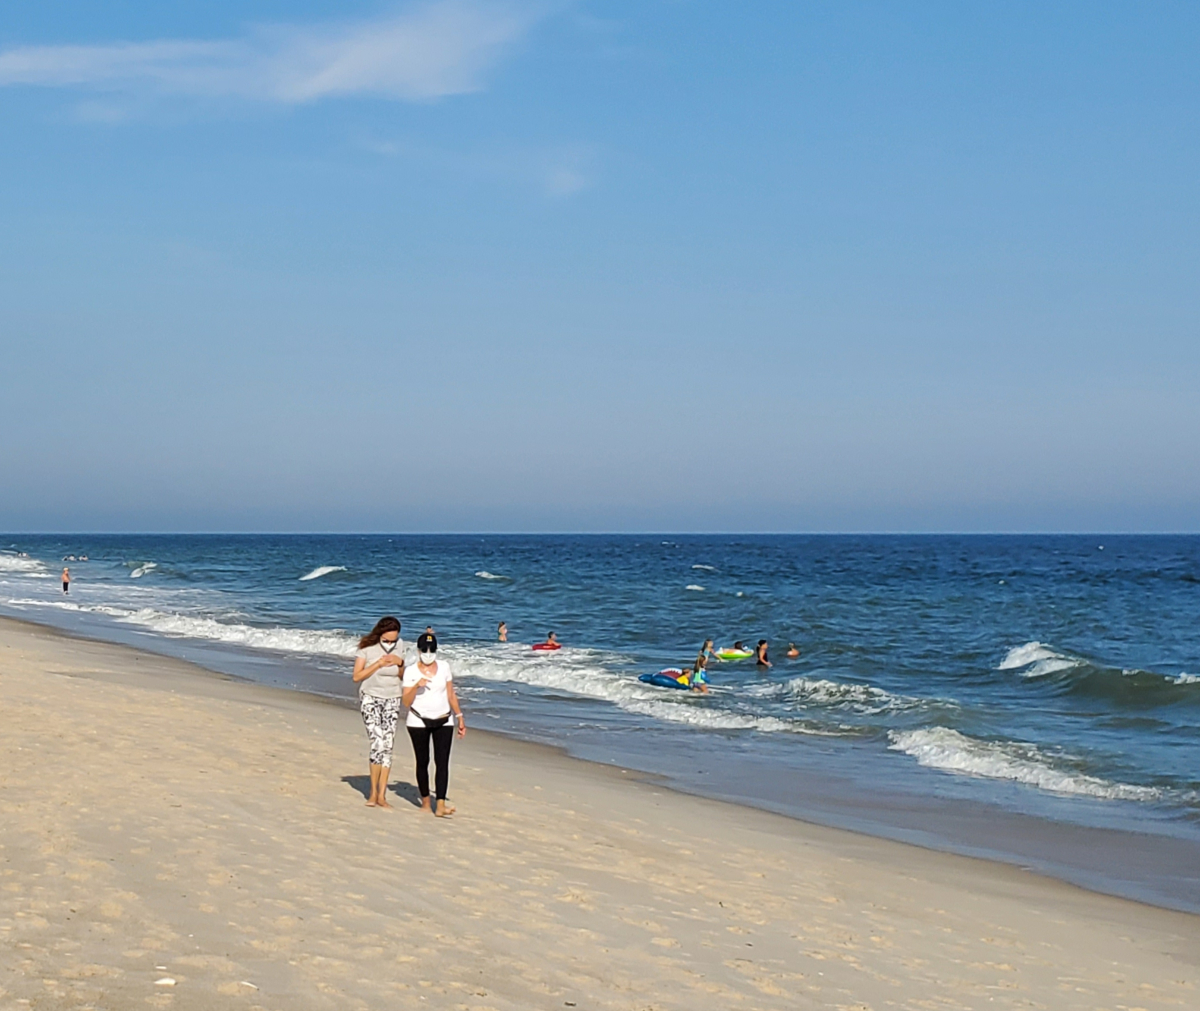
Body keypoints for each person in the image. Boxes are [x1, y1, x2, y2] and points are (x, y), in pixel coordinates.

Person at [403, 632, 466, 817]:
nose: (428, 654)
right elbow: (406, 701)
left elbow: (450, 694)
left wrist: (460, 716)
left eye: (432, 650)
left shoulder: (445, 667)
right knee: (423, 761)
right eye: (425, 650)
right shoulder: (411, 671)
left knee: (442, 762)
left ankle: (440, 805)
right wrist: (416, 685)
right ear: (418, 651)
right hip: (418, 720)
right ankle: (425, 801)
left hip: (444, 719)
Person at [352, 616, 405, 808]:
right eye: (387, 641)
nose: (390, 644)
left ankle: (382, 795)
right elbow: (357, 676)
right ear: (380, 634)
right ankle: (372, 793)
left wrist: (400, 664)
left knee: (388, 745)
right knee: (377, 742)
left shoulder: (400, 645)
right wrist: (377, 665)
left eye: (393, 640)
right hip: (371, 697)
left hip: (392, 697)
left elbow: (402, 676)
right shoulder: (366, 648)